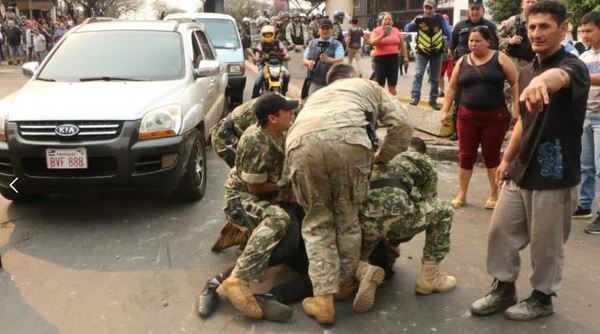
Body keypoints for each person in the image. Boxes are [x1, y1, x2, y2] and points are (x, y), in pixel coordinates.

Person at [470, 1, 590, 321]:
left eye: (545, 27)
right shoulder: (525, 72)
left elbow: (559, 78)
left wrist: (542, 82)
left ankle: (542, 297)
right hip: (523, 169)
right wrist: (507, 159)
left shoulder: (573, 66)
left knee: (546, 243)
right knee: (500, 231)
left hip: (556, 172)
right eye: (532, 27)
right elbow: (523, 121)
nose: (536, 33)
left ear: (563, 29)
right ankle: (503, 287)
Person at [284, 64, 413, 325]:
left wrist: (287, 185)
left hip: (301, 145)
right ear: (354, 77)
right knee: (347, 218)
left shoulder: (314, 98)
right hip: (350, 142)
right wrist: (382, 158)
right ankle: (344, 284)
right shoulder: (367, 86)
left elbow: (294, 136)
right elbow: (402, 124)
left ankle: (322, 300)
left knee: (318, 223)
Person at [216, 93, 299, 320]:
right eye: (287, 111)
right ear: (273, 118)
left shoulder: (281, 132)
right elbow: (255, 188)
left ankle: (245, 237)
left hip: (263, 189)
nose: (291, 113)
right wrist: (287, 191)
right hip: (241, 197)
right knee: (279, 219)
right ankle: (237, 280)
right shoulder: (254, 140)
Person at [360, 142, 456, 298]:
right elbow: (427, 200)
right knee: (444, 210)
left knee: (358, 259)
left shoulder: (376, 157)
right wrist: (395, 240)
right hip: (399, 220)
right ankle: (430, 278)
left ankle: (360, 271)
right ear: (423, 152)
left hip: (363, 222)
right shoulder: (423, 160)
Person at [440, 26, 518, 210]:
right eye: (470, 41)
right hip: (467, 117)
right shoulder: (463, 61)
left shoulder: (500, 58)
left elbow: (515, 82)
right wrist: (445, 110)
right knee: (465, 156)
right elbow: (451, 87)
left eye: (477, 41)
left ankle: (493, 195)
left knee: (491, 157)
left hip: (494, 118)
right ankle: (462, 194)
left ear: (488, 41)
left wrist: (517, 109)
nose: (473, 44)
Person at [448, 0, 498, 140]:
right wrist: (453, 64)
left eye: (478, 9)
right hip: (463, 67)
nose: (475, 11)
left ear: (483, 10)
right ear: (469, 10)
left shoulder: (490, 26)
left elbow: (496, 47)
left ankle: (485, 128)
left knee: (482, 97)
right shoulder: (459, 26)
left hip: (485, 68)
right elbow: (452, 47)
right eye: (472, 9)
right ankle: (456, 130)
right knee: (458, 98)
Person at [572, 12, 600, 234]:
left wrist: (578, 76)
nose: (584, 35)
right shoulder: (584, 56)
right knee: (586, 166)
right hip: (586, 116)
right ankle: (584, 205)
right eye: (582, 31)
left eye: (589, 30)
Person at [404, 0, 452, 108]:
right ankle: (415, 97)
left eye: (430, 8)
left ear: (434, 9)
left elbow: (449, 33)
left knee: (435, 78)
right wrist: (414, 22)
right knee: (418, 74)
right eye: (425, 8)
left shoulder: (440, 19)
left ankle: (433, 100)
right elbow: (407, 28)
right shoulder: (419, 18)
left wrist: (450, 47)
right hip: (422, 52)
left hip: (437, 52)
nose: (427, 10)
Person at [497, 0, 537, 117]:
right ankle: (512, 122)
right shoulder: (514, 21)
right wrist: (508, 41)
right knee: (511, 94)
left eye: (533, 1)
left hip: (534, 64)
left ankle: (526, 123)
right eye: (528, 1)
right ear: (522, 5)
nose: (531, 4)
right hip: (515, 64)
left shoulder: (540, 20)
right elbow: (495, 36)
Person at [302, 18, 344, 96]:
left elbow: (340, 60)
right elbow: (304, 59)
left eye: (327, 28)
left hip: (330, 82)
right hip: (314, 81)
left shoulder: (337, 44)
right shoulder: (312, 43)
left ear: (331, 30)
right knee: (312, 102)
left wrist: (328, 60)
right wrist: (308, 63)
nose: (325, 31)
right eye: (323, 28)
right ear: (319, 30)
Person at [371, 12, 409, 95]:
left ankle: (392, 105)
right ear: (382, 21)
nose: (387, 21)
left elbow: (402, 45)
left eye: (389, 19)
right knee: (380, 86)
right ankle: (379, 105)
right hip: (380, 60)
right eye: (385, 19)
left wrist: (405, 57)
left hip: (394, 60)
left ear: (392, 22)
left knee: (392, 86)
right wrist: (383, 35)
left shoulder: (396, 30)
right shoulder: (376, 30)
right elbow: (373, 42)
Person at [251, 25, 291, 98]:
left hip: (278, 66)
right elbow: (258, 52)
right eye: (266, 34)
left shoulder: (278, 42)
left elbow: (283, 49)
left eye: (270, 34)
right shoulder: (261, 44)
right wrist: (256, 58)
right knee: (258, 81)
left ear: (273, 34)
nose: (268, 36)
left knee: (287, 75)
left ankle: (284, 91)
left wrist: (286, 55)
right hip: (264, 66)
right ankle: (253, 100)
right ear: (263, 35)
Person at [439, 14, 453, 97]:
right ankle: (442, 90)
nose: (445, 21)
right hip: (440, 56)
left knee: (450, 74)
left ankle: (450, 91)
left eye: (446, 19)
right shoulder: (438, 29)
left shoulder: (452, 28)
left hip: (451, 56)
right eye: (443, 19)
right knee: (440, 74)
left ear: (449, 20)